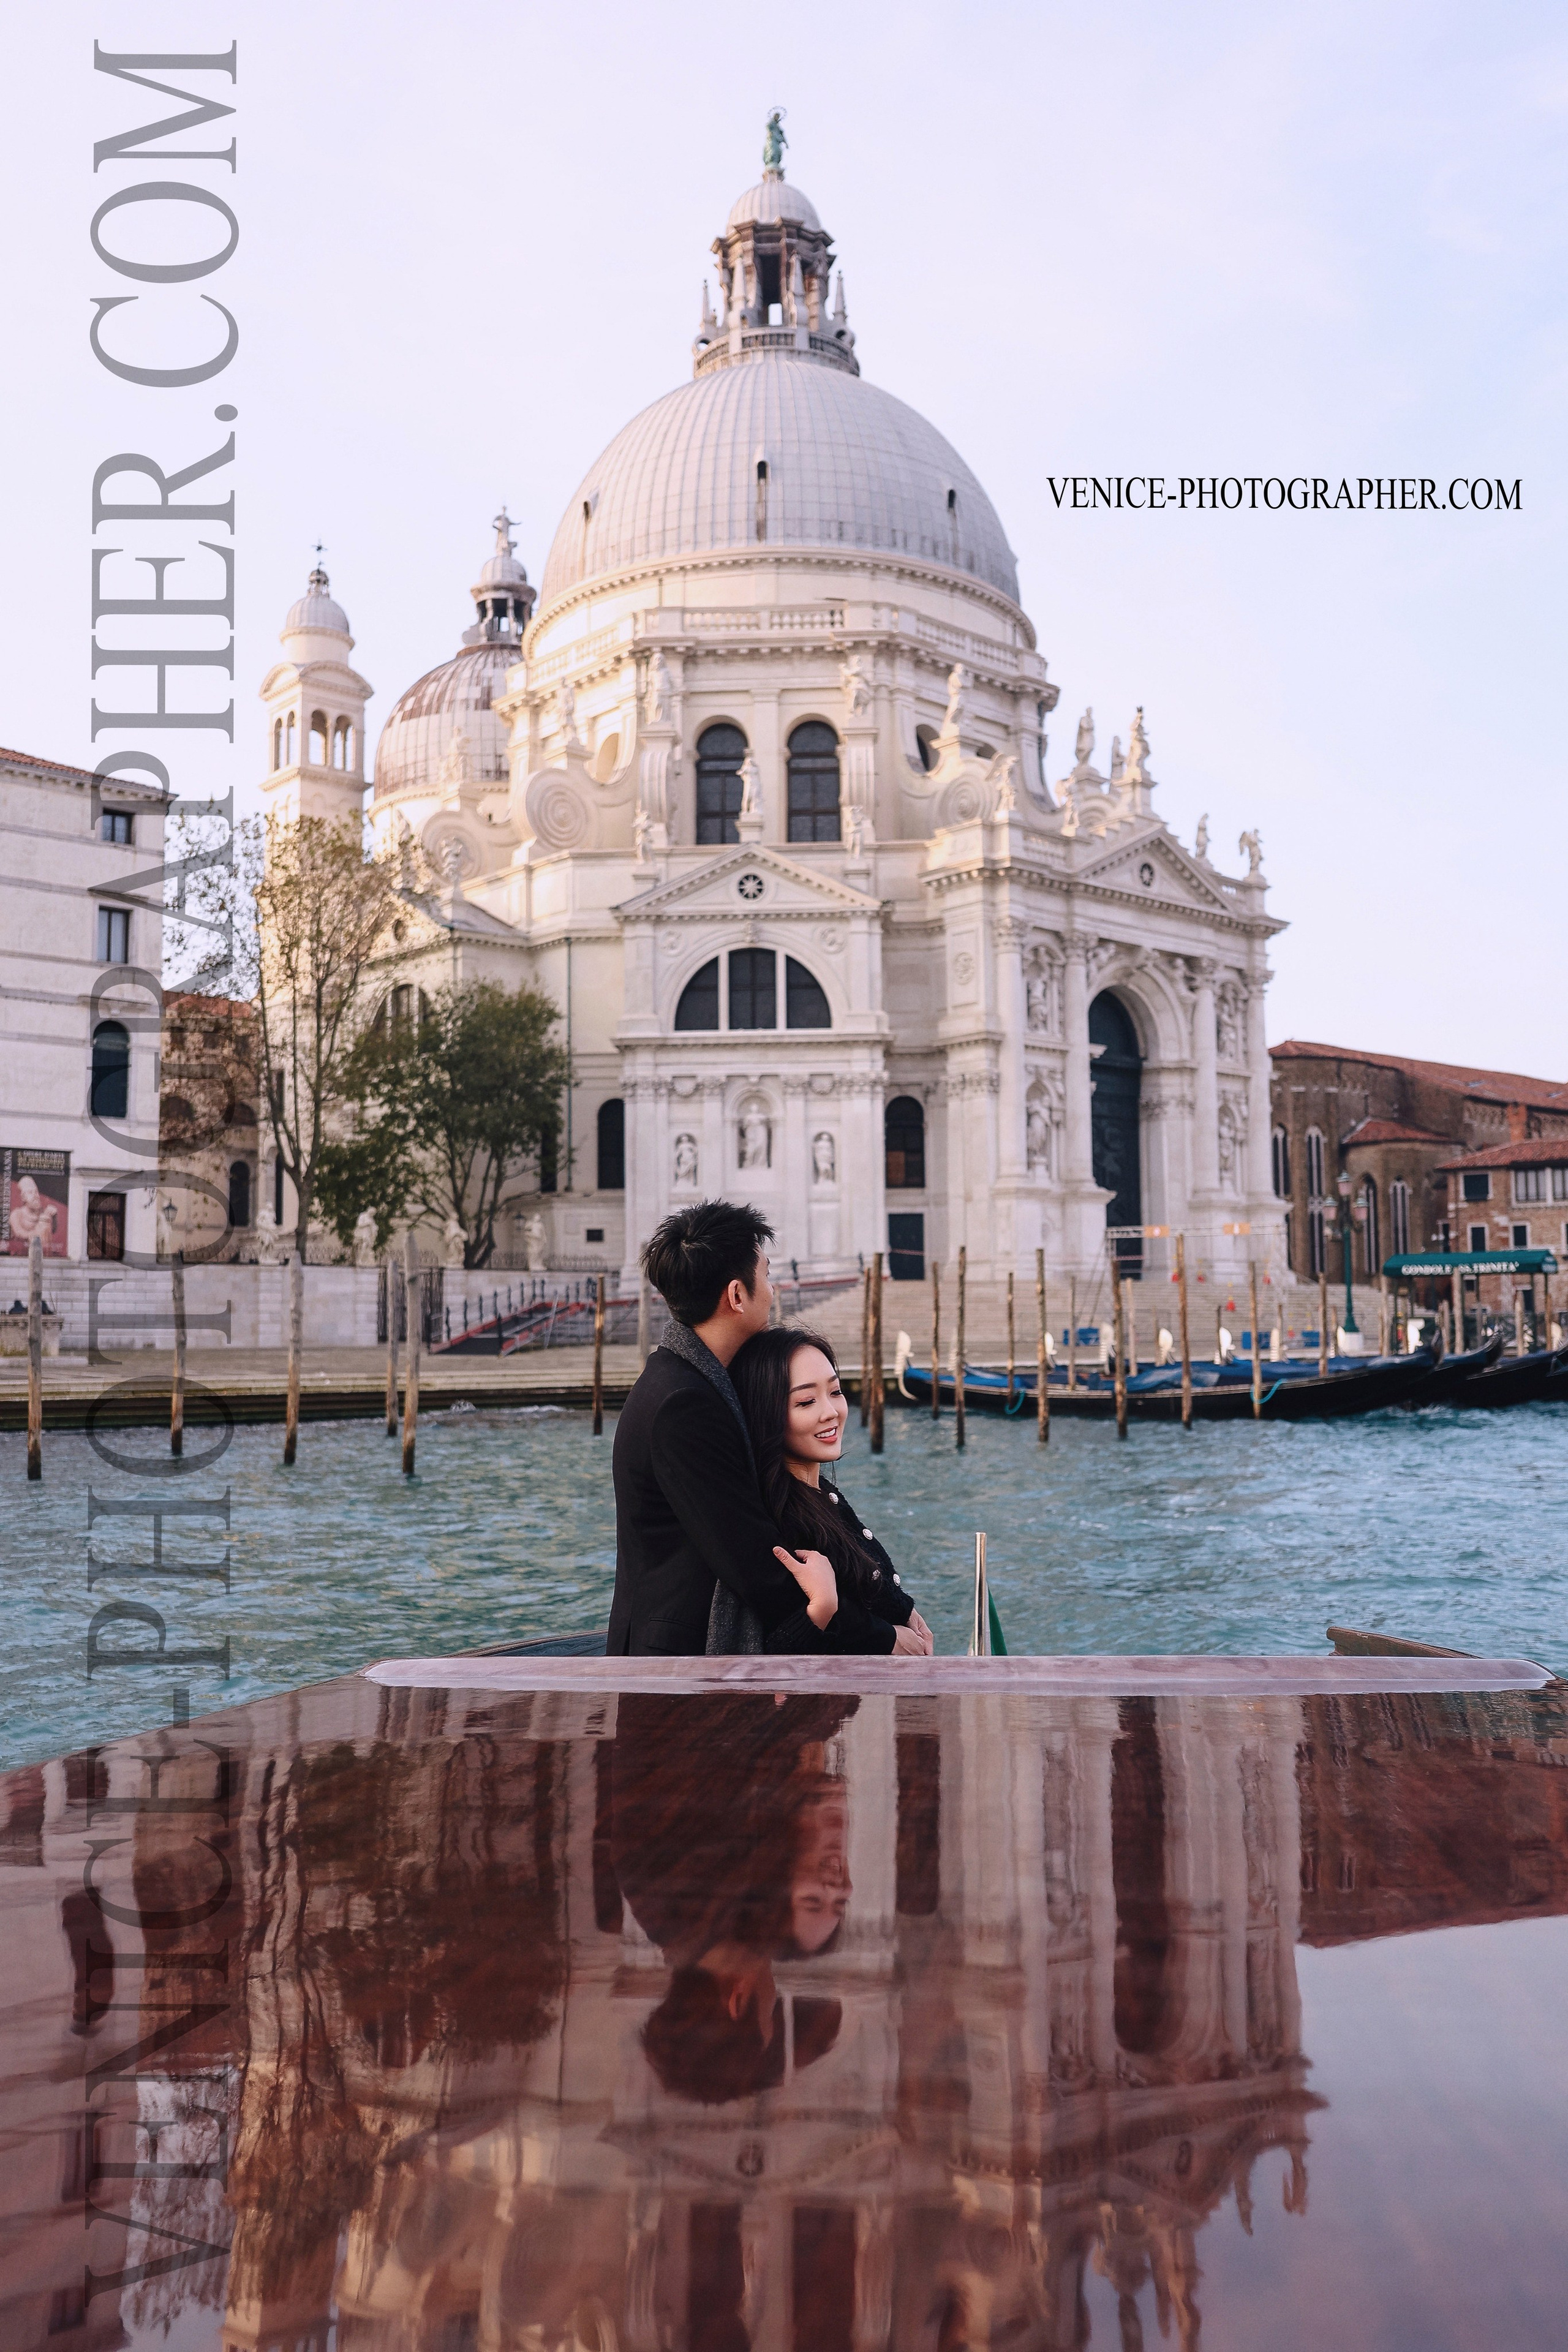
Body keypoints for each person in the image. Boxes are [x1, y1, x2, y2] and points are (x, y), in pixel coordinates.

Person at [608, 1199, 896, 1656]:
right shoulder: (686, 1403)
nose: (774, 1287)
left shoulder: (691, 1380)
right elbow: (760, 1565)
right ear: (737, 1295)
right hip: (677, 1666)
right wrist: (884, 1637)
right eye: (765, 1273)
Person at [731, 1327, 934, 1656]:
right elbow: (775, 1650)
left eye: (836, 1392)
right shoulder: (778, 1515)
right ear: (765, 1413)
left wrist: (907, 1614)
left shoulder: (820, 1492)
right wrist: (825, 1605)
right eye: (806, 1401)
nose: (831, 1412)